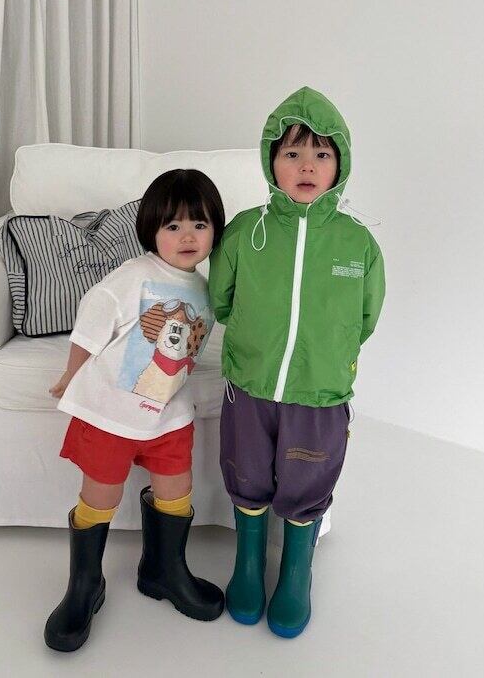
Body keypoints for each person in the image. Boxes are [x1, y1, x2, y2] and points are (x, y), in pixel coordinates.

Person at [209, 86, 385, 638]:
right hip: (250, 385)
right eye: (292, 153)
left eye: (321, 154)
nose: (307, 166)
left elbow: (366, 317)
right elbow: (220, 299)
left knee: (308, 478)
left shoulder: (357, 244)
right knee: (247, 469)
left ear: (340, 164)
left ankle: (295, 572)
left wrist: (327, 355)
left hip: (320, 393)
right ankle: (248, 563)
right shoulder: (246, 232)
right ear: (271, 161)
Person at [44, 169, 226, 652]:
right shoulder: (133, 277)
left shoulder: (206, 289)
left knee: (176, 489)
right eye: (173, 226)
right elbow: (91, 324)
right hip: (111, 414)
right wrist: (70, 375)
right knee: (100, 496)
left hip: (168, 415)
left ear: (215, 231)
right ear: (151, 230)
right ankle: (85, 586)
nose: (187, 237)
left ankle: (164, 570)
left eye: (200, 225)